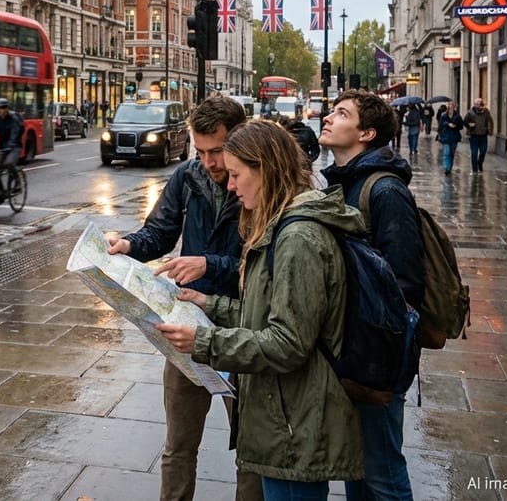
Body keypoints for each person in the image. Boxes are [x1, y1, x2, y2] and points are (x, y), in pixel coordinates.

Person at [155, 119, 364, 500]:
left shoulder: (297, 238)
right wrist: (208, 303)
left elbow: (287, 343)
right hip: (284, 415)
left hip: (293, 420)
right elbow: (266, 313)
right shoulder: (282, 225)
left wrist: (204, 341)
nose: (230, 186)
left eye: (236, 174)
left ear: (264, 168)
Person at [104, 94, 249, 501]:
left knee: (252, 449)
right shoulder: (188, 176)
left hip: (243, 324)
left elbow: (261, 265)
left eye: (217, 152)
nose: (210, 163)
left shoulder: (257, 182)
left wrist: (209, 264)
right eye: (201, 152)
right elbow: (160, 232)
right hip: (189, 323)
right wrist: (127, 245)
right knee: (178, 445)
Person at [318, 88, 423, 501]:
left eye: (341, 114)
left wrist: (373, 360)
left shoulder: (385, 191)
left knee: (382, 472)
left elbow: (405, 284)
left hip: (374, 353)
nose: (328, 117)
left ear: (366, 133)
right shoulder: (345, 182)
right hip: (350, 348)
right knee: (357, 468)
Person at [464, 98, 494, 174]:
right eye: (477, 103)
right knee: (474, 153)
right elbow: (465, 122)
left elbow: (490, 121)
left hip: (483, 136)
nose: (478, 105)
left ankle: (480, 163)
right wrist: (469, 125)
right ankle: (474, 169)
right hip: (474, 135)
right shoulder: (470, 112)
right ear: (474, 104)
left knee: (483, 151)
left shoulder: (486, 111)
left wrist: (490, 131)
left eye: (480, 103)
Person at [437, 103, 464, 175]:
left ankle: (450, 166)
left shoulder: (457, 116)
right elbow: (440, 126)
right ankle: (447, 167)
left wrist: (455, 126)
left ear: (454, 108)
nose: (450, 109)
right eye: (449, 108)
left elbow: (461, 126)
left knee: (452, 153)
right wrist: (447, 125)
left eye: (451, 108)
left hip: (454, 137)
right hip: (445, 136)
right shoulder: (443, 116)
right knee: (446, 153)